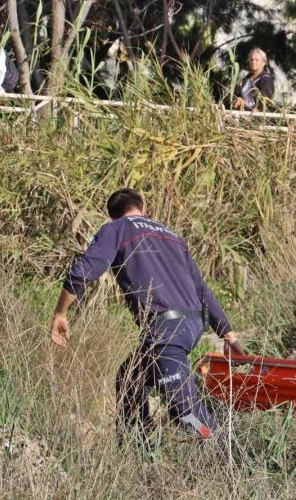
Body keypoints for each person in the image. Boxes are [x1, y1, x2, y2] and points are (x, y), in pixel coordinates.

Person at [49, 188, 246, 438]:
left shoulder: (117, 229)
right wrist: (228, 335)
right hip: (192, 324)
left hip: (166, 331)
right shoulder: (173, 237)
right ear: (142, 207)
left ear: (113, 216)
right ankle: (138, 450)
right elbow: (202, 290)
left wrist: (60, 313)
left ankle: (224, 450)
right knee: (130, 378)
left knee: (185, 411)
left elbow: (83, 271)